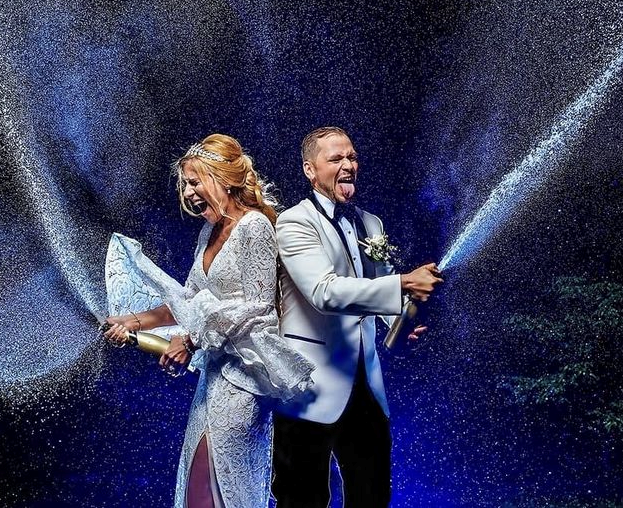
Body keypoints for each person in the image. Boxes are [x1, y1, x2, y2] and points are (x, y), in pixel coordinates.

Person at [104, 134, 314, 508]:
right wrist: (131, 322)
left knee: (220, 486)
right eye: (185, 183)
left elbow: (258, 308)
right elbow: (185, 303)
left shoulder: (254, 227)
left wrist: (190, 341)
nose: (187, 192)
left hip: (243, 381)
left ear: (223, 178)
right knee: (196, 487)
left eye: (194, 181)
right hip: (212, 380)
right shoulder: (208, 233)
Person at [272, 126, 443, 507]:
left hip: (367, 387)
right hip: (309, 388)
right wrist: (403, 283)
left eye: (351, 157)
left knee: (373, 495)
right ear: (309, 171)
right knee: (302, 500)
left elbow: (378, 291)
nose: (348, 165)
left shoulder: (371, 223)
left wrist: (402, 321)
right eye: (335, 159)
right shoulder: (293, 222)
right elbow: (324, 292)